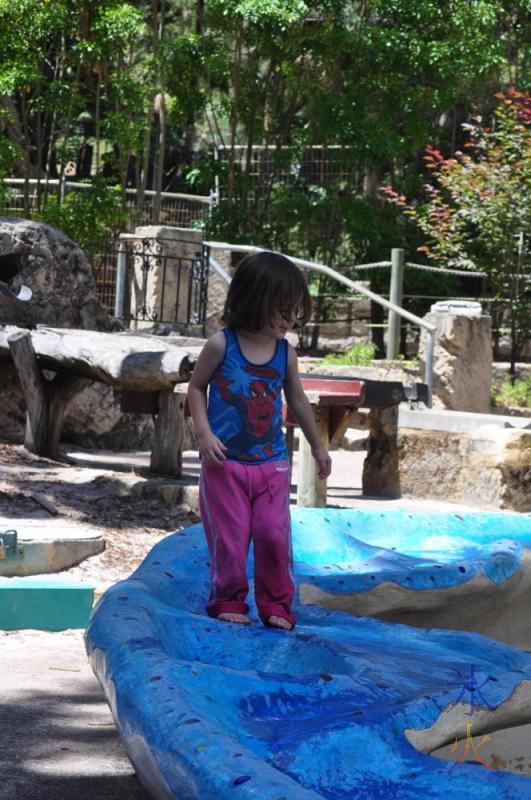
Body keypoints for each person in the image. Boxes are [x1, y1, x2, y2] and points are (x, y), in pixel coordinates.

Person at [187, 250, 332, 631]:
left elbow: (297, 399)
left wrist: (317, 445)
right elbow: (196, 388)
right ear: (255, 301)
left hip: (271, 463)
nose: (292, 319)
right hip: (225, 464)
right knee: (230, 538)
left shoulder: (285, 352)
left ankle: (277, 604)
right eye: (284, 310)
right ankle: (228, 599)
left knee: (273, 534)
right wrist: (203, 434)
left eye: (296, 310)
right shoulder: (222, 344)